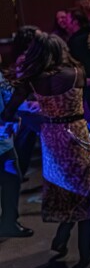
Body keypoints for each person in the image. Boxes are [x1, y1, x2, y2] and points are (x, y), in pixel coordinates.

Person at [1, 33, 90, 265]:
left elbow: (8, 111)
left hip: (51, 138)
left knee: (63, 189)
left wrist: (34, 115)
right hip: (75, 135)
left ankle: (62, 237)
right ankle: (85, 250)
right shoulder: (76, 73)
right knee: (86, 190)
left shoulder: (33, 79)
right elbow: (82, 105)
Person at [0, 66, 30, 238]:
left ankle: (8, 223)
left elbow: (9, 99)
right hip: (2, 139)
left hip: (4, 140)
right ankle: (8, 223)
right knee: (11, 178)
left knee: (12, 178)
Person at [58, 10, 90, 114]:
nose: (65, 22)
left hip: (85, 82)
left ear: (75, 22)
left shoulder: (75, 41)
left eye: (68, 19)